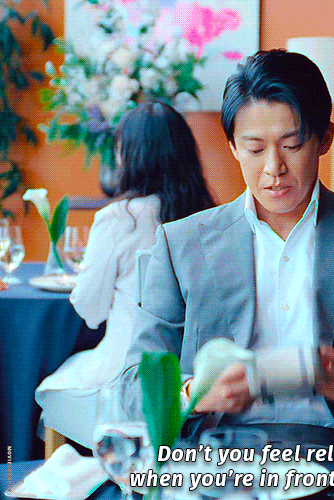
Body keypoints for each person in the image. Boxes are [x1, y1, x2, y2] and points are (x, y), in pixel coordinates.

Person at [124, 50, 334, 475]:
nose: (273, 168)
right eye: (254, 148)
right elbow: (133, 382)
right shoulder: (181, 243)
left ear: (324, 139)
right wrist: (195, 394)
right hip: (218, 458)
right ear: (233, 147)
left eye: (292, 145)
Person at [36, 101, 214, 395]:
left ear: (127, 155)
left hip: (126, 369)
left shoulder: (117, 219)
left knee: (45, 388)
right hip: (196, 372)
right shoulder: (210, 218)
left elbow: (91, 310)